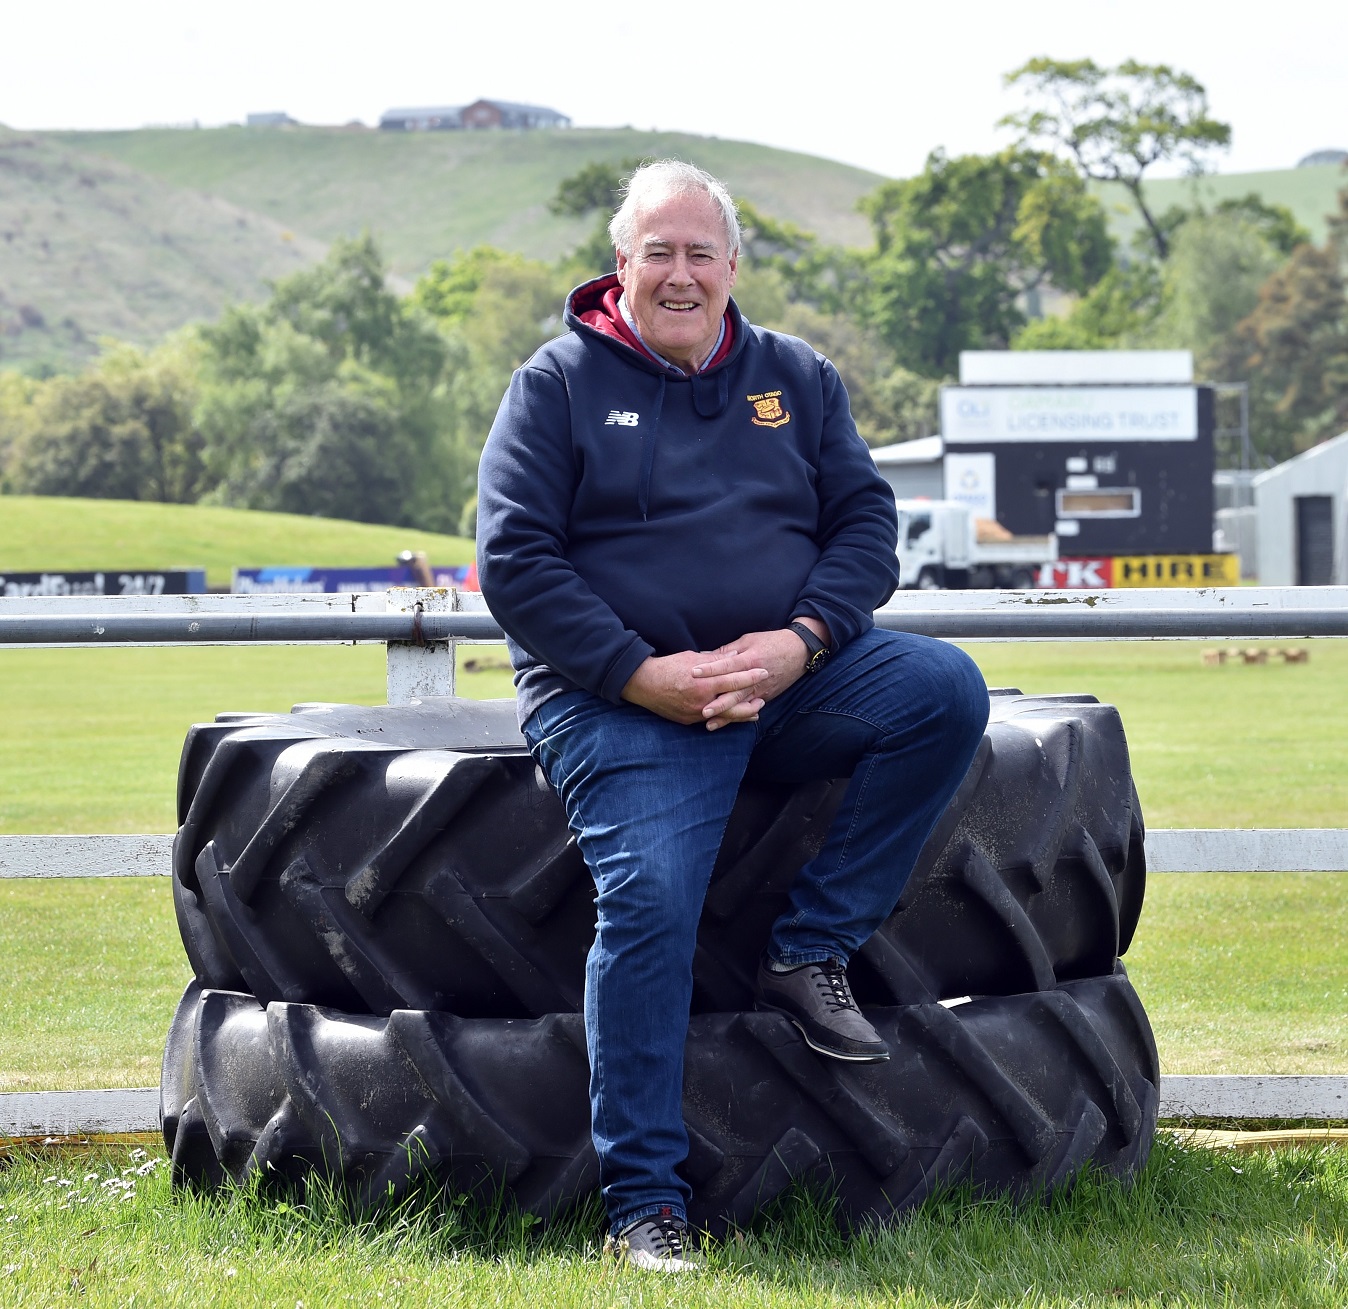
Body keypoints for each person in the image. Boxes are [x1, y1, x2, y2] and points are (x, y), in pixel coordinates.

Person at [476, 160, 988, 1272]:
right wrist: (637, 671)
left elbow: (864, 524)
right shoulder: (556, 384)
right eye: (656, 251)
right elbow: (514, 562)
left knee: (942, 691)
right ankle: (643, 1204)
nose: (678, 273)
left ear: (732, 267)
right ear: (619, 267)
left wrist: (799, 640)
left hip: (782, 677)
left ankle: (811, 948)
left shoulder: (795, 379)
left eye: (699, 252)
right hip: (621, 702)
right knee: (652, 899)